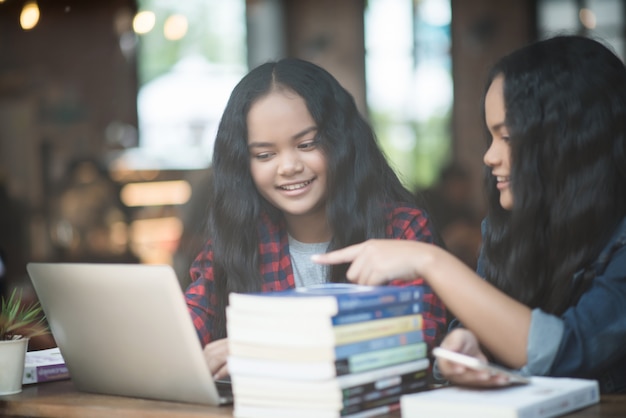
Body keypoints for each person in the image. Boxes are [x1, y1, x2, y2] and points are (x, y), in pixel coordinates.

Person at [313, 35, 626, 393]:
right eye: (490, 137)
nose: (489, 157)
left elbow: (566, 351)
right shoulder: (505, 228)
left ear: (572, 137)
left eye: (507, 137)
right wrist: (466, 346)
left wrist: (429, 260)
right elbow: (481, 330)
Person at [184, 58, 447, 380]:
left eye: (307, 144)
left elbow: (422, 338)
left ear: (342, 141)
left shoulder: (401, 229)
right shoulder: (237, 238)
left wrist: (265, 351)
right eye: (265, 155)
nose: (289, 166)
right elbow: (184, 332)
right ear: (243, 164)